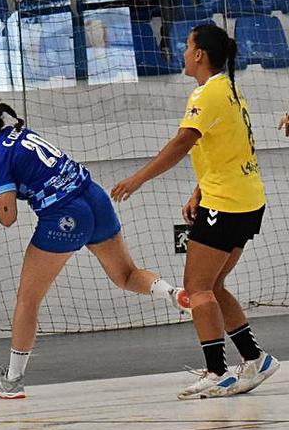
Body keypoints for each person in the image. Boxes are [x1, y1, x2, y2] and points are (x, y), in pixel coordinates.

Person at [0, 96, 186, 399]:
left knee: (28, 299)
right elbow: (4, 180)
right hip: (94, 197)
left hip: (63, 216)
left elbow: (8, 217)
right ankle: (173, 292)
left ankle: (12, 381)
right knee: (125, 275)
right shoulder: (19, 133)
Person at [111, 24, 279, 399]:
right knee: (215, 285)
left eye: (187, 46)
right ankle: (255, 359)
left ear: (200, 54)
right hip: (247, 200)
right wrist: (198, 191)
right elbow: (226, 149)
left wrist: (137, 179)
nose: (183, 52)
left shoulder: (207, 93)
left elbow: (184, 141)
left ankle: (217, 371)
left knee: (197, 288)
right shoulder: (230, 89)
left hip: (227, 204)